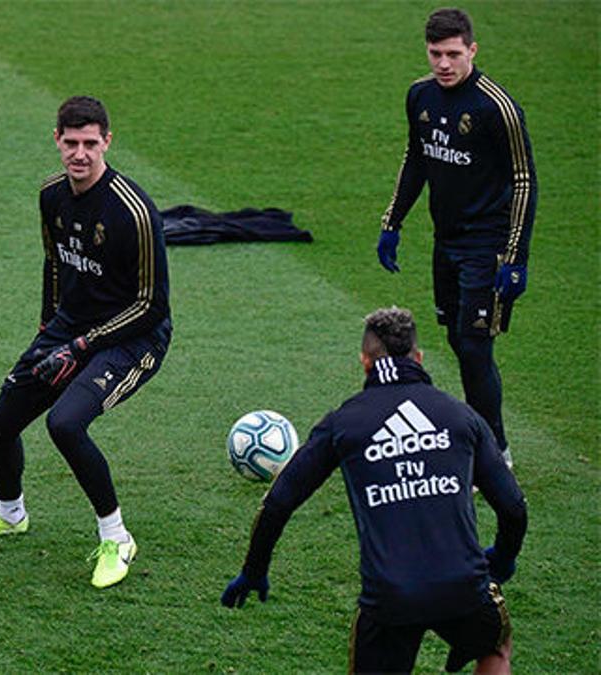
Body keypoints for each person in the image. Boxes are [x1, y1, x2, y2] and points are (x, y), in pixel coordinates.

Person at [221, 307, 527, 673]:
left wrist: (254, 570)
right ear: (419, 358)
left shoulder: (345, 422)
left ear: (364, 362)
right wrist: (504, 557)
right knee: (495, 647)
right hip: (464, 586)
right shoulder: (461, 416)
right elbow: (513, 507)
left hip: (391, 597)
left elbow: (279, 502)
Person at [0, 96, 172, 589]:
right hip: (71, 329)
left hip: (135, 339)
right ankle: (10, 514)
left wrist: (83, 346)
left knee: (66, 424)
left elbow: (151, 306)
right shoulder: (51, 196)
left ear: (107, 142)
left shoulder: (133, 213)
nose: (80, 154)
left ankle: (117, 537)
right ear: (56, 140)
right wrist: (48, 331)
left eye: (91, 144)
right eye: (71, 143)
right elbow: (55, 266)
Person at [376, 7, 536, 469]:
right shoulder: (420, 96)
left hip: (487, 245)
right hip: (445, 242)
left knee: (473, 345)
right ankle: (486, 447)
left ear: (472, 51)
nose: (443, 64)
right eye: (435, 54)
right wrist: (393, 223)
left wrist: (515, 256)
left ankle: (494, 455)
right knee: (455, 337)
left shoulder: (496, 108)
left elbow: (525, 180)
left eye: (452, 54)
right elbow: (417, 159)